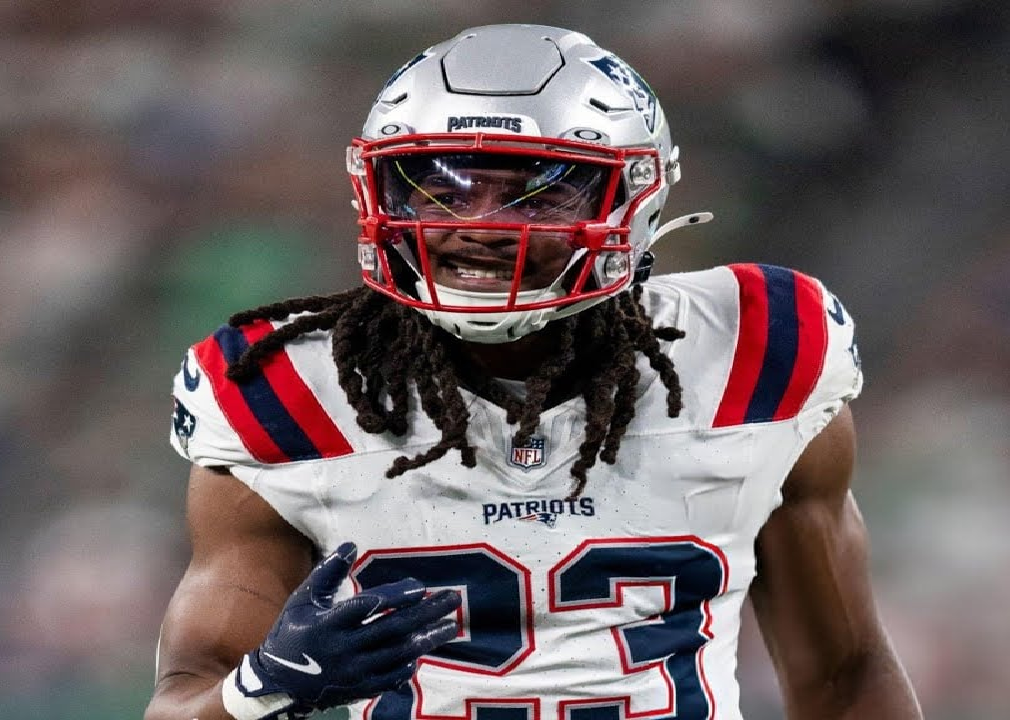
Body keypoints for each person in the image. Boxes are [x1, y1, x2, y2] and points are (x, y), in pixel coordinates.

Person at [146, 24, 921, 720]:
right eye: (439, 188)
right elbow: (182, 701)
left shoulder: (754, 352)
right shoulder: (282, 391)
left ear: (636, 198)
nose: (481, 225)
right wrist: (262, 688)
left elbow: (844, 675)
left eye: (535, 193)